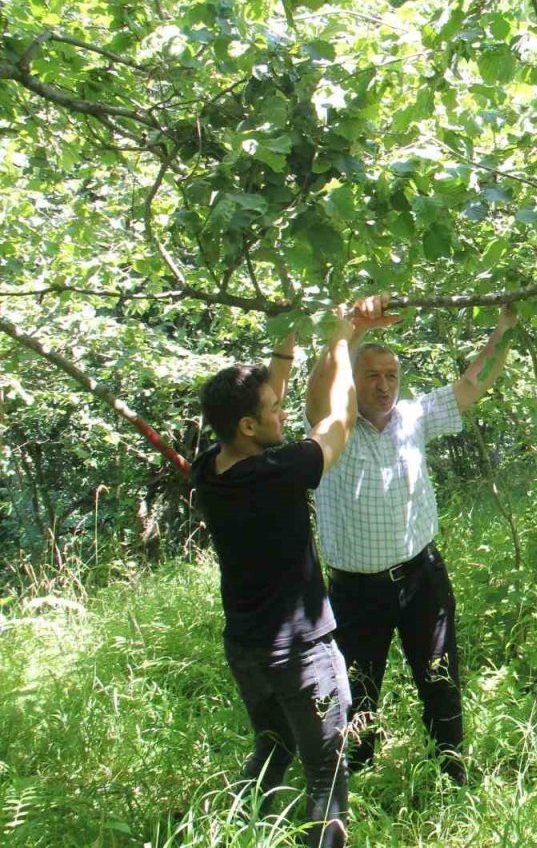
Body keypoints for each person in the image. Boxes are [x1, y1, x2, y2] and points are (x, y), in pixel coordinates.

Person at [311, 297, 518, 781]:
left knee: (440, 679)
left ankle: (452, 772)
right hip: (355, 589)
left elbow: (473, 384)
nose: (384, 386)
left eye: (391, 375)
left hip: (422, 578)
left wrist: (505, 327)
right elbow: (320, 397)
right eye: (371, 376)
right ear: (352, 380)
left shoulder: (414, 416)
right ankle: (355, 784)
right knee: (356, 692)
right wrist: (348, 333)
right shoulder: (330, 431)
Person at [191, 306, 359, 848]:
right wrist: (340, 341)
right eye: (273, 410)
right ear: (247, 425)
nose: (282, 414)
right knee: (326, 777)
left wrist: (287, 336)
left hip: (246, 650)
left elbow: (268, 399)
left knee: (273, 746)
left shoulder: (210, 467)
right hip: (300, 654)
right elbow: (339, 424)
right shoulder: (278, 473)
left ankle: (238, 831)